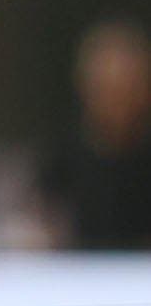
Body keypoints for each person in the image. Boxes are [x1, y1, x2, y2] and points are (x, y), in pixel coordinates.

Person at [36, 18, 151, 251]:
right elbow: (38, 217)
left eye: (125, 89)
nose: (116, 102)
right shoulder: (64, 154)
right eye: (106, 89)